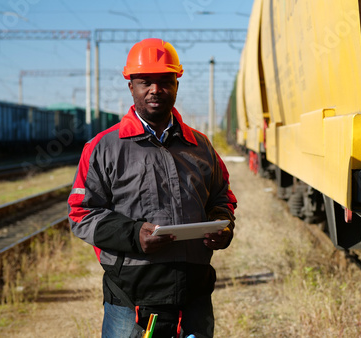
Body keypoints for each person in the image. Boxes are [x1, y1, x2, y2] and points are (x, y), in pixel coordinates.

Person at [67, 38, 237, 338]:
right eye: (145, 81)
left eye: (164, 81)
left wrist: (222, 226)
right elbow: (81, 214)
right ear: (130, 86)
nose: (155, 90)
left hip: (193, 298)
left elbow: (223, 196)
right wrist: (134, 235)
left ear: (176, 84)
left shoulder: (200, 146)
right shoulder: (103, 148)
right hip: (131, 304)